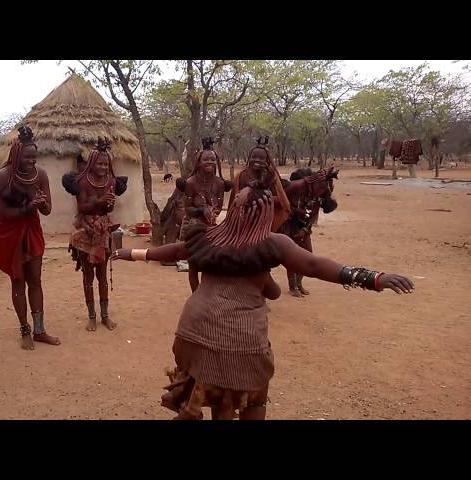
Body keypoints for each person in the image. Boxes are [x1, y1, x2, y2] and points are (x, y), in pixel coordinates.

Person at [112, 185, 414, 420]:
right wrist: (371, 278)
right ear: (267, 212)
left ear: (235, 209)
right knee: (254, 397)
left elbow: (175, 251)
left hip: (191, 332)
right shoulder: (274, 243)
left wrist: (133, 254)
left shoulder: (211, 235)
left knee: (209, 387)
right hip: (237, 339)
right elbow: (313, 266)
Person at [0, 125, 60, 349]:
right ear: (17, 156)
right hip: (8, 231)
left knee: (35, 280)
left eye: (34, 157)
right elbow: (4, 213)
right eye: (27, 157)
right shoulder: (3, 176)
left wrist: (41, 203)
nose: (32, 161)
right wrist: (29, 207)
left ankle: (39, 330)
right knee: (18, 280)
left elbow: (47, 210)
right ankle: (25, 330)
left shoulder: (41, 175)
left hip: (31, 229)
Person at [63, 138, 128, 332]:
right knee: (88, 275)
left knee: (102, 275)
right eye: (99, 163)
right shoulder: (82, 181)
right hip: (85, 229)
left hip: (102, 230)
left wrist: (109, 202)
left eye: (106, 163)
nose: (103, 166)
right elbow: (82, 207)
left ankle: (105, 316)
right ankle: (92, 316)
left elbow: (108, 208)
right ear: (91, 163)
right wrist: (100, 201)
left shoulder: (111, 181)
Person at [177, 136, 231, 291]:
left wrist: (212, 213)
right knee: (194, 264)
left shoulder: (219, 183)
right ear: (198, 162)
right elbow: (187, 209)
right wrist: (202, 210)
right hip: (193, 228)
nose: (210, 163)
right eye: (206, 160)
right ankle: (196, 295)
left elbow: (219, 206)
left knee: (211, 262)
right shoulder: (191, 183)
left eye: (213, 160)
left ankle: (208, 295)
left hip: (211, 227)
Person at [279, 167, 339, 297]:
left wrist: (306, 230)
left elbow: (314, 215)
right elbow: (283, 205)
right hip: (289, 226)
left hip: (304, 229)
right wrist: (295, 212)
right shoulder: (296, 190)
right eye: (323, 188)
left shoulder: (318, 197)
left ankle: (299, 284)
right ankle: (293, 286)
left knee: (307, 255)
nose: (325, 191)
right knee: (292, 257)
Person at [227, 136, 290, 232]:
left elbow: (281, 201)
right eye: (254, 157)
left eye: (261, 158)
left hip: (266, 221)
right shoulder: (241, 175)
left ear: (266, 161)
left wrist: (262, 198)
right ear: (249, 158)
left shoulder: (271, 176)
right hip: (243, 219)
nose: (257, 160)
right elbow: (234, 200)